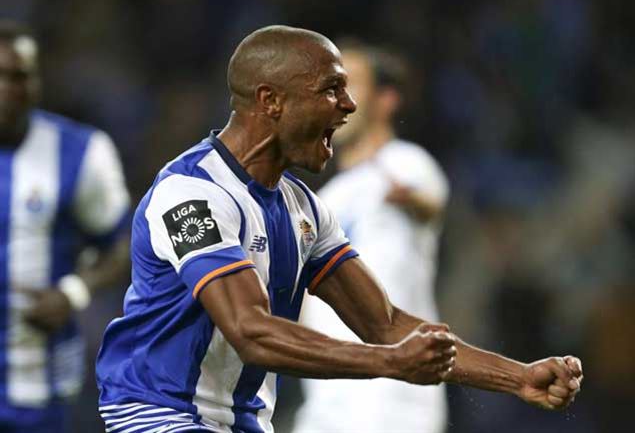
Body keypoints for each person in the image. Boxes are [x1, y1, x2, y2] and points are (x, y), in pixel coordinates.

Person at [96, 25, 582, 433]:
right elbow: (251, 331)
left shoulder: (304, 208)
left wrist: (517, 377)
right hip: (158, 414)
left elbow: (385, 324)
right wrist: (388, 364)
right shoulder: (192, 194)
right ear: (271, 101)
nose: (348, 106)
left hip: (242, 422)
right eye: (331, 89)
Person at [295, 41, 449, 432]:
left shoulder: (405, 163)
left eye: (351, 84)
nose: (337, 98)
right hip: (326, 401)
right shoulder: (323, 200)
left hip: (394, 401)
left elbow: (430, 203)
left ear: (386, 100)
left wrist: (409, 198)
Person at [0, 21, 131, 433]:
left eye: (17, 76)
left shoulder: (80, 150)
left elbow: (126, 243)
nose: (5, 88)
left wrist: (73, 293)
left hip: (37, 381)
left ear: (38, 80)